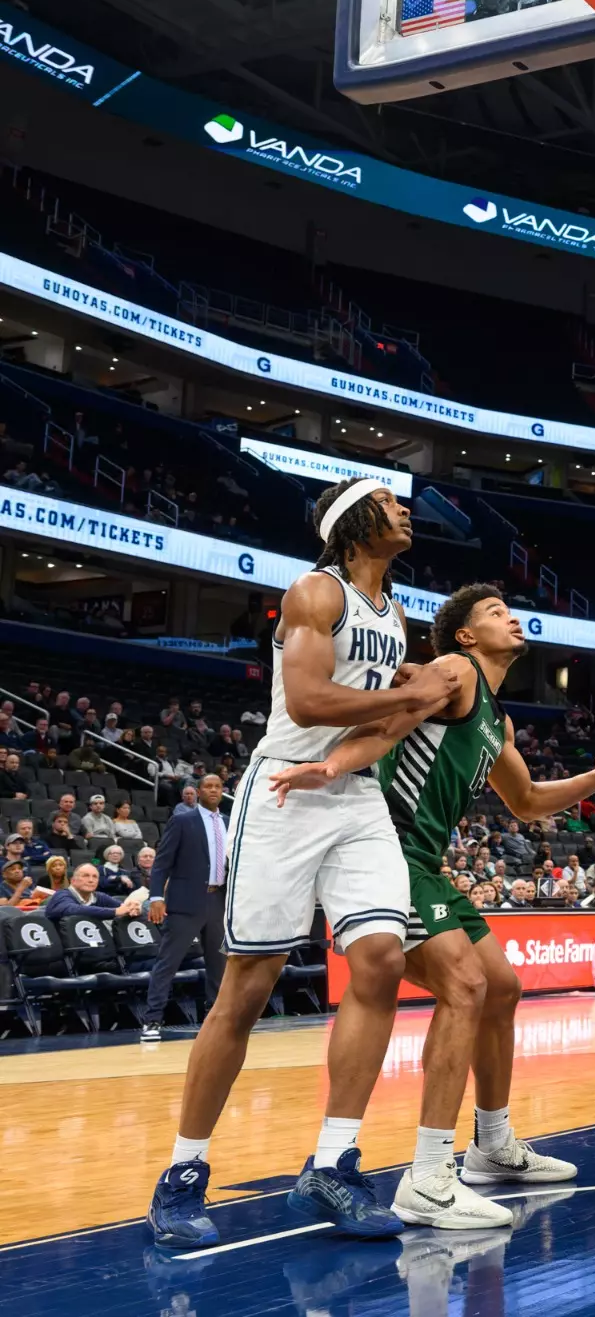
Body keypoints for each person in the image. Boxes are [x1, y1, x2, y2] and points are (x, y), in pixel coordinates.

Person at [267, 584, 595, 1228]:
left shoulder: (495, 717)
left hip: (428, 865)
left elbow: (528, 801)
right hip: (386, 852)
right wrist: (333, 763)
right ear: (468, 636)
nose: (513, 617)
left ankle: (494, 1146)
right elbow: (387, 697)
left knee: (501, 986)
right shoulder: (453, 670)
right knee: (466, 983)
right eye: (495, 612)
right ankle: (427, 1174)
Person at [147, 478, 463, 1250]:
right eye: (389, 499)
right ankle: (182, 1173)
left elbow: (384, 720)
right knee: (246, 989)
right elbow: (311, 699)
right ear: (353, 520)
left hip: (351, 794)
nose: (405, 509)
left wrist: (400, 712)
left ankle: (332, 1161)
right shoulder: (314, 592)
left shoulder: (397, 611)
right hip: (284, 790)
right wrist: (410, 699)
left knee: (382, 959)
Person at [138, 774, 233, 1041]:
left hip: (218, 900)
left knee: (219, 965)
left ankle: (213, 1020)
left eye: (217, 786)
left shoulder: (229, 822)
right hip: (185, 902)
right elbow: (162, 863)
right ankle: (152, 1020)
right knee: (168, 962)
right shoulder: (182, 820)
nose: (213, 790)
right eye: (208, 786)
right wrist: (157, 896)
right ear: (198, 791)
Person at [42, 859, 141, 929]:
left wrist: (134, 908)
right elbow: (72, 909)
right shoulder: (61, 895)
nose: (91, 880)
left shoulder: (99, 896)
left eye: (95, 877)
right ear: (73, 880)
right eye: (85, 876)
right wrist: (114, 912)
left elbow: (122, 907)